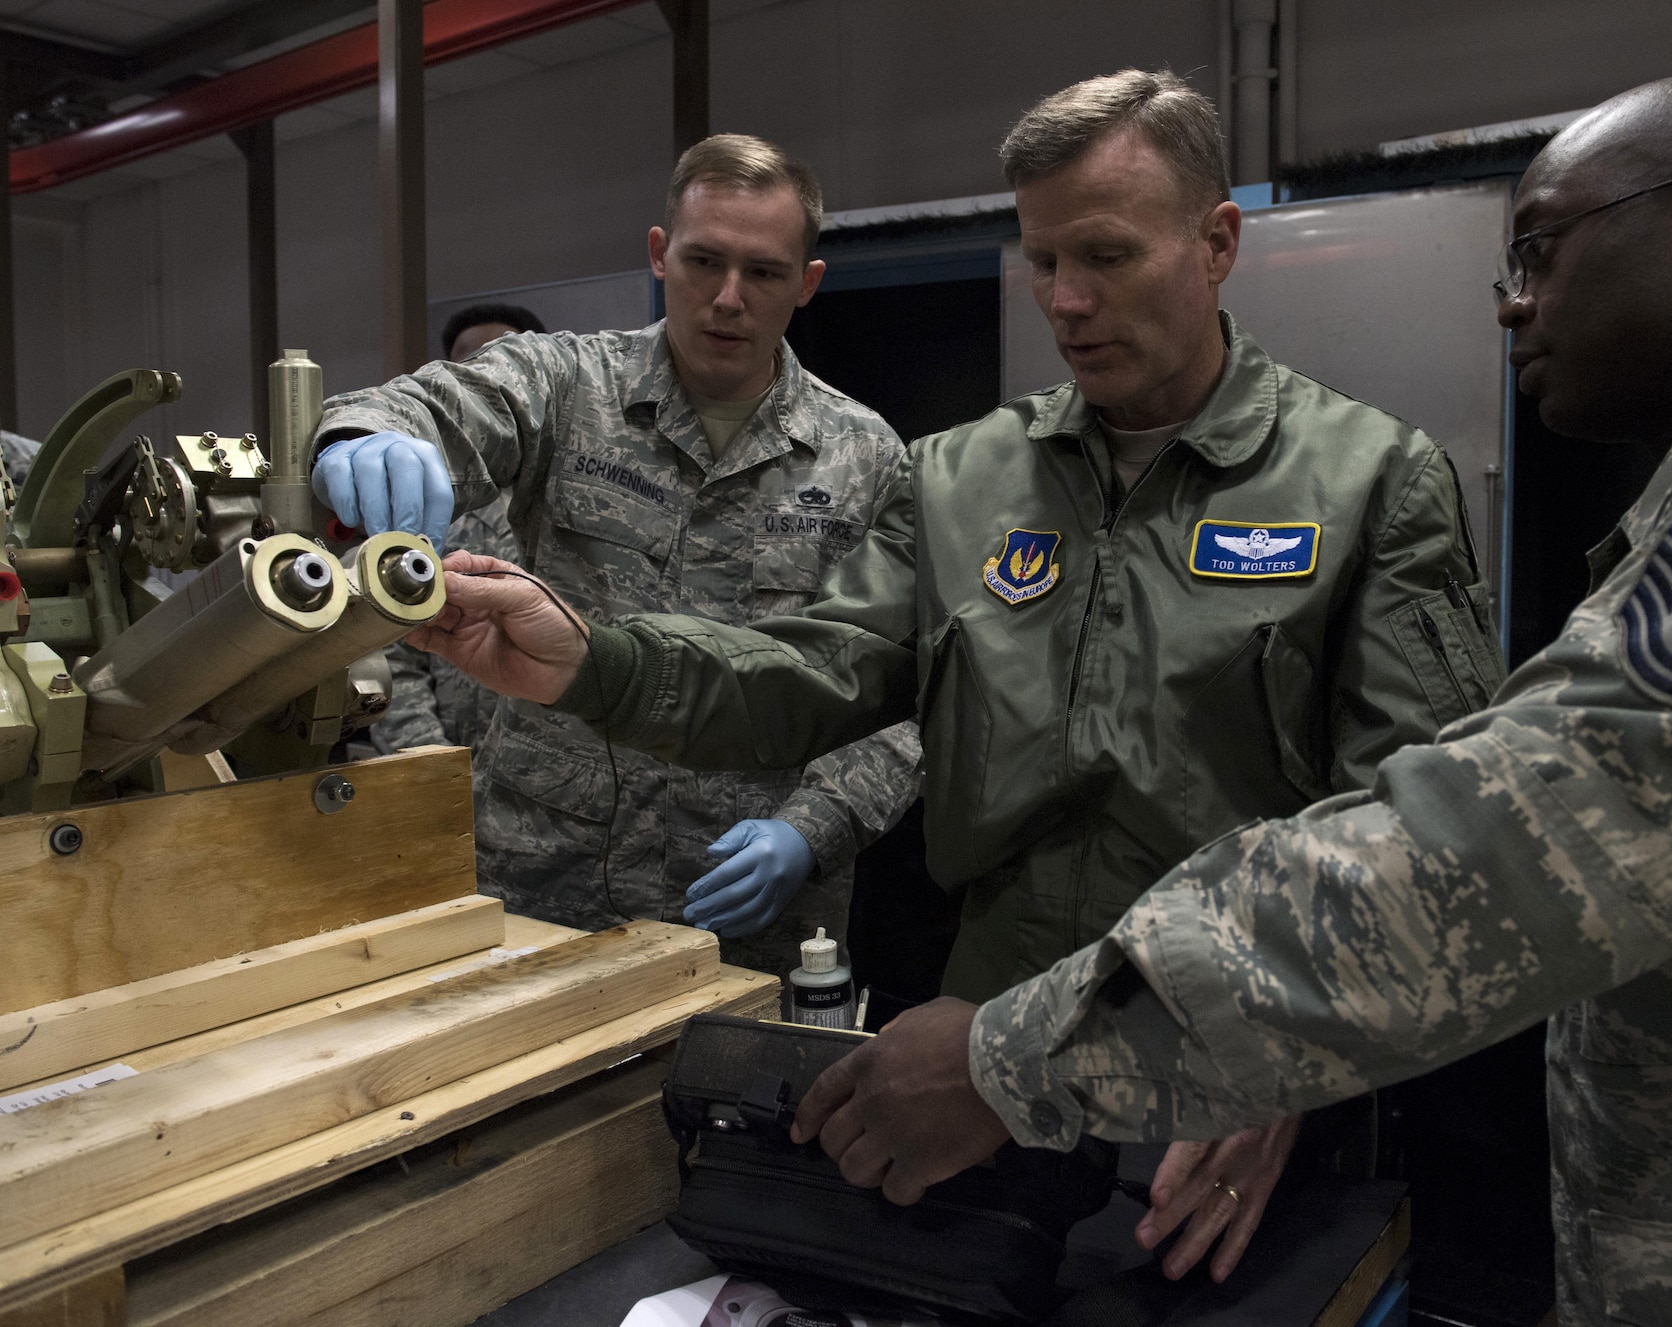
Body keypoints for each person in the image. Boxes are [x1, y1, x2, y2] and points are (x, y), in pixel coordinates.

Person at [757, 69, 1672, 1327]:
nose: (1512, 303)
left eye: (1539, 247)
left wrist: (1008, 1059)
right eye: (1043, 262)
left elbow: (1480, 853)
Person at [400, 70, 1501, 1283]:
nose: (1066, 302)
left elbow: (1411, 838)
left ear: (1217, 240)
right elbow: (810, 672)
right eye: (1040, 262)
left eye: (1106, 255)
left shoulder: (1368, 484)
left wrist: (1293, 1062)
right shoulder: (960, 479)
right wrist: (594, 661)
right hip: (971, 1066)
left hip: (1230, 1083)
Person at [311, 134, 922, 977]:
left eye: (765, 273)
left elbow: (902, 687)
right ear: (659, 255)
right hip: (544, 888)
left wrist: (812, 828)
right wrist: (372, 432)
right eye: (704, 260)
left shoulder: (864, 455)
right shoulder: (569, 386)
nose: (729, 298)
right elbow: (451, 401)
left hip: (748, 914)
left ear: (808, 284)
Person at [369, 304, 544, 758]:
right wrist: (432, 764)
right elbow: (389, 655)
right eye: (471, 366)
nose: (490, 379)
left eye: (505, 361)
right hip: (457, 775)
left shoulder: (582, 499)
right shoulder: (421, 510)